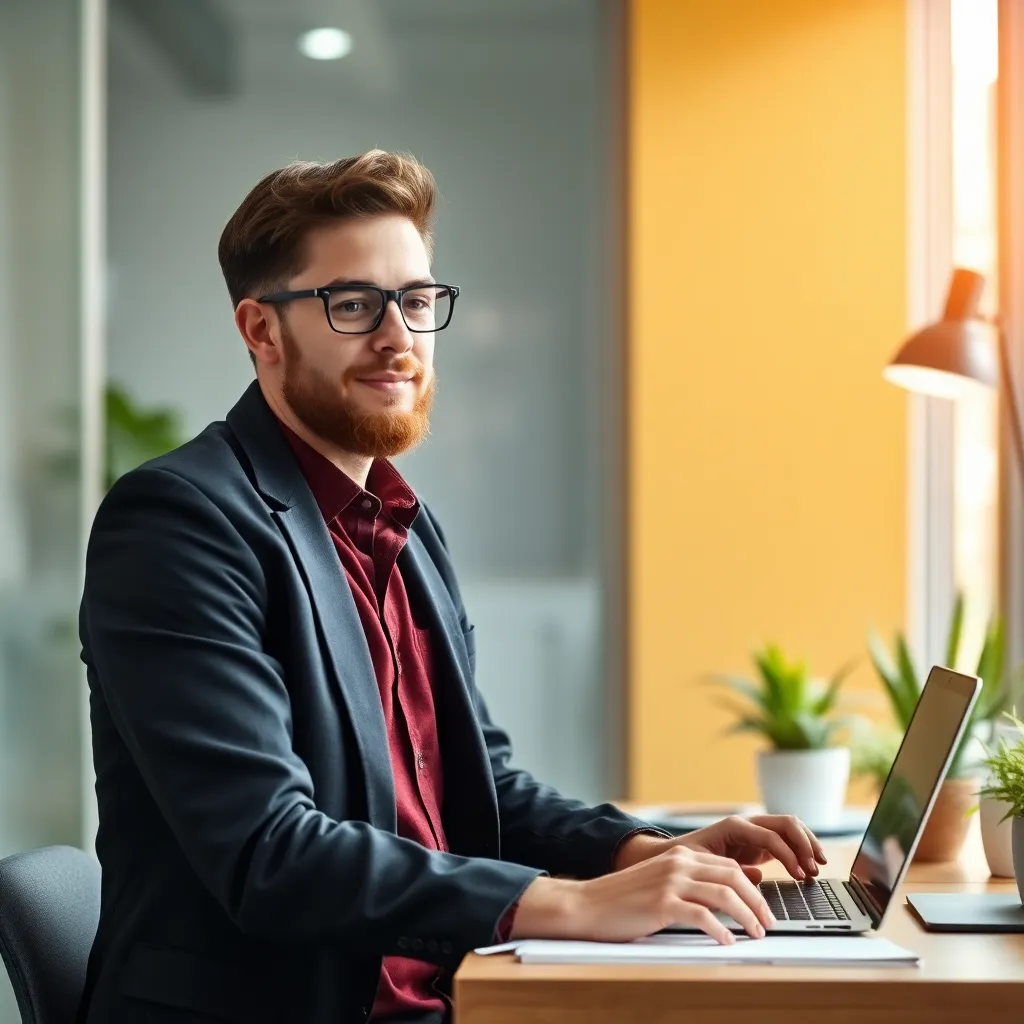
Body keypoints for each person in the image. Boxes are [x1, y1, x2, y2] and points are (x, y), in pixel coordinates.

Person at [77, 150, 827, 1024]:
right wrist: (572, 905)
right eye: (352, 304)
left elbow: (480, 786)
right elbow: (268, 850)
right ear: (262, 331)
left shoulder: (401, 522)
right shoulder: (180, 521)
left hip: (451, 993)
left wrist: (638, 851)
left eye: (418, 301)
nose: (399, 336)